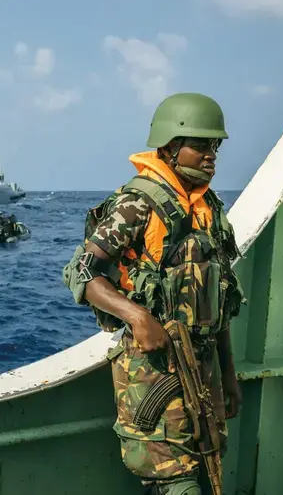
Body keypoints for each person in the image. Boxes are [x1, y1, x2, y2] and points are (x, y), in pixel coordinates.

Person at [62, 92, 246, 494]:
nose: (211, 154)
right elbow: (81, 270)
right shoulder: (138, 204)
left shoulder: (210, 209)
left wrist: (229, 375)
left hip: (204, 368)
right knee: (174, 483)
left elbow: (221, 302)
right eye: (200, 146)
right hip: (154, 369)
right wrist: (138, 317)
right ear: (170, 145)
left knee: (208, 468)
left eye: (215, 146)